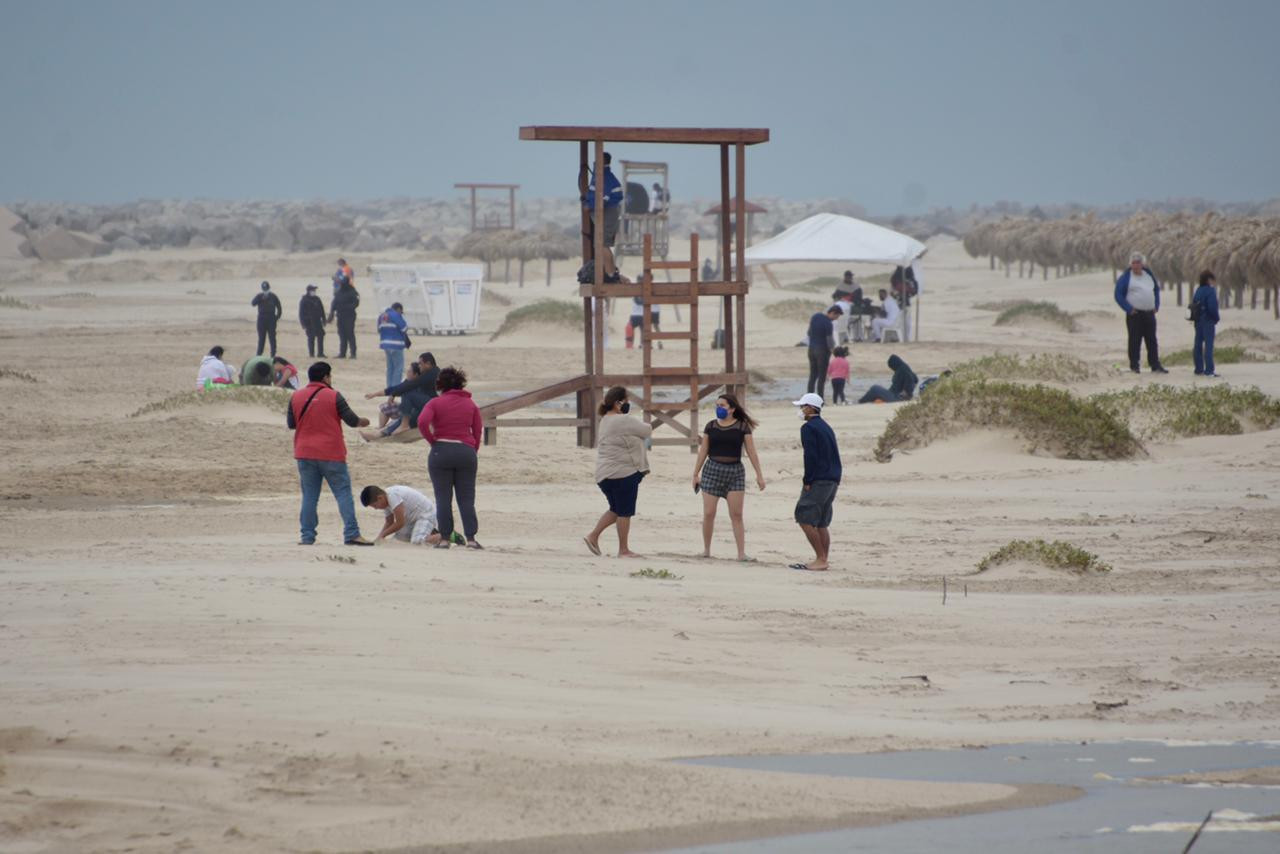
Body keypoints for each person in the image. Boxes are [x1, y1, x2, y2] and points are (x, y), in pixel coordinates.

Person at [287, 361, 372, 546]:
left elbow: (291, 424)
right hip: (331, 453)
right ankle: (352, 534)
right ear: (326, 377)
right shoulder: (334, 395)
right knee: (343, 493)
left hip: (304, 452)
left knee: (309, 496)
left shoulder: (296, 396)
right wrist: (364, 422)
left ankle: (307, 537)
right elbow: (352, 421)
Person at [691, 394, 766, 561]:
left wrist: (759, 475)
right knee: (709, 513)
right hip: (712, 471)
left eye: (722, 405)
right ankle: (706, 550)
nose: (719, 408)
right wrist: (695, 473)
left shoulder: (742, 427)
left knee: (737, 515)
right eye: (717, 405)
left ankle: (741, 554)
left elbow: (751, 452)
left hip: (735, 473)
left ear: (732, 408)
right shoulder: (710, 426)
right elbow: (703, 450)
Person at [418, 366, 484, 549]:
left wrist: (432, 441)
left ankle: (445, 538)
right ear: (461, 383)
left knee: (443, 498)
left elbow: (422, 422)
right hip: (466, 452)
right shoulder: (471, 405)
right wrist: (473, 449)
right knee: (466, 498)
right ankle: (471, 538)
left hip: (441, 451)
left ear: (441, 385)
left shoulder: (435, 403)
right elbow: (477, 430)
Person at [584, 386, 651, 558]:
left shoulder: (606, 419)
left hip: (604, 474)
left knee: (615, 509)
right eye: (626, 401)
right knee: (624, 512)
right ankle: (623, 550)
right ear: (617, 403)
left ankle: (593, 536)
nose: (628, 404)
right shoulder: (622, 420)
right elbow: (647, 430)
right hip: (622, 473)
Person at [790, 392, 841, 572]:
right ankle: (823, 558)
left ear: (811, 408)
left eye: (803, 406)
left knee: (804, 517)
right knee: (821, 522)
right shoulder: (826, 426)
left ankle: (820, 558)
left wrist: (808, 479)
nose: (801, 410)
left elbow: (810, 455)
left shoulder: (809, 428)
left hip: (819, 479)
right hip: (833, 479)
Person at [1114, 251, 1167, 374]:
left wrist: (1156, 305)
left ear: (1142, 263)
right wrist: (1128, 309)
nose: (1136, 265)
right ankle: (1134, 365)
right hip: (1135, 315)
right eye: (1134, 263)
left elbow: (1156, 290)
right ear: (1130, 264)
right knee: (1134, 340)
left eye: (1138, 262)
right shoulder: (1126, 277)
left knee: (1152, 340)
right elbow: (1118, 294)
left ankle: (1155, 364)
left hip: (1149, 313)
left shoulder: (1148, 275)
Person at [359, 484, 456, 546]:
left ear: (380, 498)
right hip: (412, 520)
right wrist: (379, 537)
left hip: (426, 514)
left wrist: (383, 535)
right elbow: (389, 522)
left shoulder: (393, 496)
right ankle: (432, 534)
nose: (376, 508)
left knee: (417, 541)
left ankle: (449, 535)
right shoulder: (385, 501)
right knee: (400, 540)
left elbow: (400, 523)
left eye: (375, 505)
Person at [581, 151, 625, 282]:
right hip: (606, 212)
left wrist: (589, 206)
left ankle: (611, 274)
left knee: (602, 244)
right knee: (601, 244)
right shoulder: (600, 176)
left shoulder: (604, 177)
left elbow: (602, 199)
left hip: (608, 212)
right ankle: (610, 273)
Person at [360, 362, 430, 441]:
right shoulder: (407, 382)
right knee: (386, 407)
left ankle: (380, 434)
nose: (407, 373)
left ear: (416, 375)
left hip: (414, 413)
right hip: (406, 410)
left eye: (409, 371)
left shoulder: (422, 385)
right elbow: (392, 389)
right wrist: (374, 394)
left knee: (399, 421)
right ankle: (380, 429)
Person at [806, 305, 843, 399]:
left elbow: (809, 333)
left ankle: (809, 398)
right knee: (822, 377)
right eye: (836, 316)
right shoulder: (828, 323)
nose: (836, 319)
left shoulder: (816, 316)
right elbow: (829, 340)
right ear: (833, 313)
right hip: (822, 351)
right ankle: (820, 399)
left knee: (813, 375)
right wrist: (834, 350)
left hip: (811, 349)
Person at [1191, 270, 1221, 377]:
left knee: (1197, 345)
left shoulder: (1198, 290)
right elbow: (1212, 307)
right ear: (1208, 279)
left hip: (1198, 320)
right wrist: (1216, 318)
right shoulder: (1210, 291)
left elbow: (1193, 304)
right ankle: (1209, 370)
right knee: (1208, 346)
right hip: (1208, 321)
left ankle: (1198, 369)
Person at [377, 301, 409, 390]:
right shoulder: (396, 315)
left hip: (385, 345)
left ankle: (389, 387)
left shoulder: (381, 316)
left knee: (390, 367)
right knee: (398, 367)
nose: (401, 314)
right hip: (397, 345)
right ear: (398, 309)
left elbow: (379, 330)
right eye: (401, 312)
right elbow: (404, 328)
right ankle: (395, 389)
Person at [329, 277, 360, 359]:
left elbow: (356, 303)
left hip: (349, 316)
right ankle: (342, 353)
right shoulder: (339, 292)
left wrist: (347, 307)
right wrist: (331, 313)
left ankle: (353, 353)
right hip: (340, 316)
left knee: (350, 334)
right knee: (342, 335)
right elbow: (334, 303)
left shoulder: (352, 292)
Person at [251, 281, 283, 357]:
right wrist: (261, 298)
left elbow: (279, 307)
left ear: (269, 288)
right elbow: (253, 303)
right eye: (264, 289)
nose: (265, 291)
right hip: (261, 319)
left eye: (267, 289)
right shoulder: (259, 296)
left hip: (271, 318)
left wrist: (277, 317)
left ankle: (273, 354)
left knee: (272, 337)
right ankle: (259, 354)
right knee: (261, 338)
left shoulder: (273, 296)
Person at [299, 284, 327, 358]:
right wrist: (303, 324)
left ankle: (320, 353)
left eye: (314, 290)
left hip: (318, 321)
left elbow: (322, 310)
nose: (314, 292)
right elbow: (301, 313)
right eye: (313, 290)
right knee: (311, 338)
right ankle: (311, 354)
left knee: (321, 336)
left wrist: (324, 319)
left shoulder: (317, 299)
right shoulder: (304, 300)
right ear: (308, 291)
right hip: (309, 322)